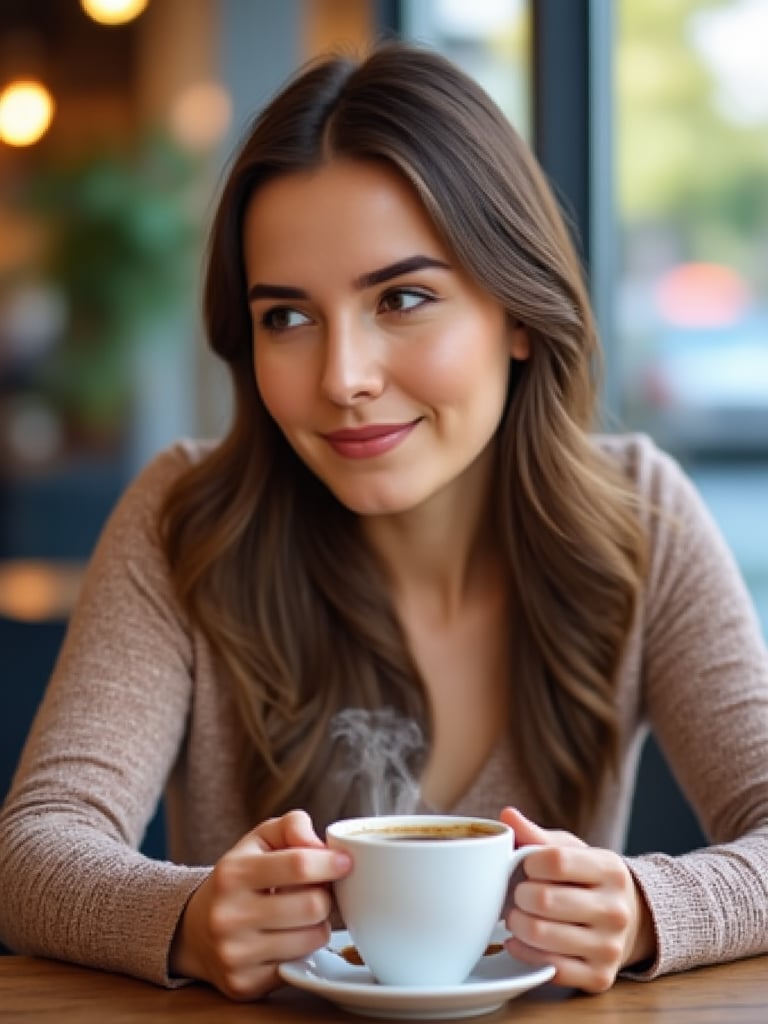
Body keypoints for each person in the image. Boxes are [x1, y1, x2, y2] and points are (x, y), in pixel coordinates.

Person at [1, 40, 767, 1002]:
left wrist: (653, 909)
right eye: (288, 317)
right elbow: (34, 854)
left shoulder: (639, 517)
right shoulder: (186, 517)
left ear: (518, 312)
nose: (342, 379)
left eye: (402, 298)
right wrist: (191, 922)